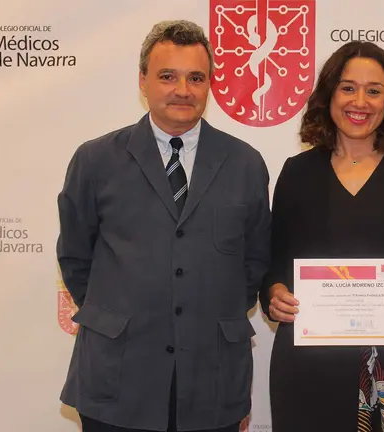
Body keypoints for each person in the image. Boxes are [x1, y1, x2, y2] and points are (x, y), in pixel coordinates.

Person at [56, 20, 270, 432]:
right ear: (143, 80)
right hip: (118, 380)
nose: (182, 90)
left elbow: (254, 262)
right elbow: (75, 258)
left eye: (196, 78)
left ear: (210, 84)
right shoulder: (96, 160)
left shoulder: (245, 164)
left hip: (211, 381)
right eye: (167, 76)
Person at [259, 41, 384, 432]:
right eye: (348, 87)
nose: (360, 101)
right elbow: (273, 264)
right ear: (329, 94)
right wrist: (274, 293)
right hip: (309, 365)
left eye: (374, 90)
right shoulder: (298, 173)